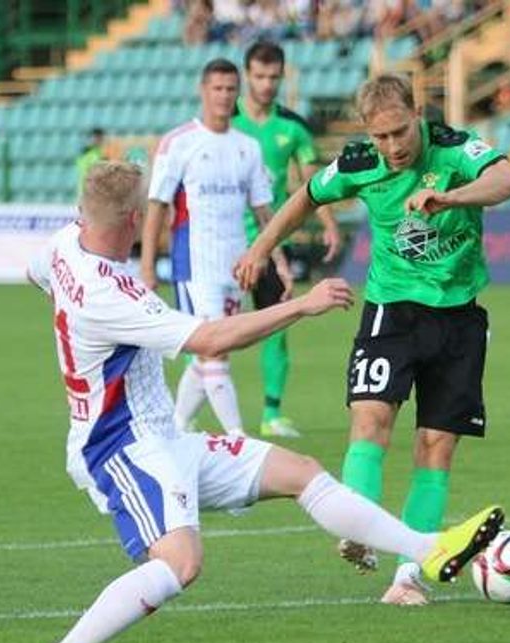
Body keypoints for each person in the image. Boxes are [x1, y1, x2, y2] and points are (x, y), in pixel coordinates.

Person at [23, 162, 504, 643]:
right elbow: (210, 341)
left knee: (300, 471)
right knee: (181, 562)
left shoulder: (63, 246)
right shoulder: (107, 292)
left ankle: (429, 550)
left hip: (162, 436)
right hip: (121, 447)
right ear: (137, 219)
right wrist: (301, 306)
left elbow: (37, 273)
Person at [235, 73, 510, 606]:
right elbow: (303, 198)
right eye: (381, 136)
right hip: (391, 310)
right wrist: (260, 248)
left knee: (435, 448)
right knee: (370, 420)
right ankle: (359, 527)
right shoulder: (359, 162)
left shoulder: (455, 149)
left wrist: (450, 197)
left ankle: (407, 579)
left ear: (417, 115)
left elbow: (508, 181)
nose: (393, 146)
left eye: (400, 132)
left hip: (458, 318)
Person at [140, 58, 291, 437]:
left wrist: (279, 261)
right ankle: (238, 438)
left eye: (230, 88)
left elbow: (263, 211)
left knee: (211, 354)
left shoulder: (248, 148)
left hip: (236, 265)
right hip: (193, 264)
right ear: (203, 91)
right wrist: (146, 266)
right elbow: (157, 205)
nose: (224, 96)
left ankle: (173, 427)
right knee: (214, 351)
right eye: (217, 88)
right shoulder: (179, 143)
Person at [233, 41, 342, 438]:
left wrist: (329, 224)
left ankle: (272, 413)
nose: (266, 85)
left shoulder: (293, 126)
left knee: (276, 323)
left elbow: (315, 182)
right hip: (223, 242)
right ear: (247, 75)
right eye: (259, 76)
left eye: (273, 77)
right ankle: (189, 411)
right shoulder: (224, 120)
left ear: (282, 76)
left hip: (269, 242)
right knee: (209, 328)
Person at [75, 128, 106, 196]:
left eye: (100, 138)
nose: (99, 141)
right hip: (89, 189)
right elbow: (87, 171)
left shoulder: (98, 153)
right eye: (97, 138)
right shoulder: (87, 153)